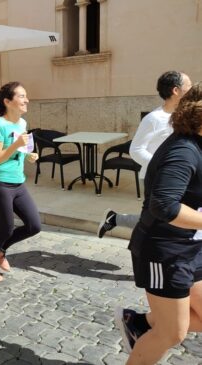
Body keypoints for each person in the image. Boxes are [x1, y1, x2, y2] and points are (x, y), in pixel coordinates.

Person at [115, 83, 202, 364]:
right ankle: (148, 328)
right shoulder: (184, 151)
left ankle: (140, 322)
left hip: (192, 245)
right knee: (171, 333)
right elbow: (164, 205)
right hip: (164, 250)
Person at [98, 71, 192, 238]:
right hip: (157, 177)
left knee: (161, 219)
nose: (192, 90)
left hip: (179, 177)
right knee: (159, 220)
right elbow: (136, 150)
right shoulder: (154, 119)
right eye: (189, 86)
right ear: (176, 90)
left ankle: (114, 219)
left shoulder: (184, 117)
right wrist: (164, 166)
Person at [0, 81, 40, 283]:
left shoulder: (21, 123)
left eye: (25, 96)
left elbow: (20, 149)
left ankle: (1, 249)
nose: (26, 100)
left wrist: (28, 155)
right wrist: (15, 145)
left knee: (34, 225)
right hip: (0, 184)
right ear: (7, 101)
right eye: (21, 96)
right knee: (5, 229)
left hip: (18, 182)